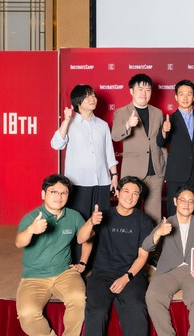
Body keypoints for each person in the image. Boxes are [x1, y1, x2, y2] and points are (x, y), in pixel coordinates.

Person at [74, 176, 154, 336]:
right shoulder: (103, 215)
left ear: (140, 198)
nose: (130, 196)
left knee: (136, 308)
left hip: (131, 273)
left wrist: (127, 277)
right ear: (117, 192)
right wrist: (91, 222)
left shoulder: (144, 221)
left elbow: (143, 256)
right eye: (126, 191)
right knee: (96, 312)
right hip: (102, 273)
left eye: (136, 193)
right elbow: (81, 238)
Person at [14, 174, 87, 336]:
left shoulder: (74, 216)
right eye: (53, 192)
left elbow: (87, 238)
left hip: (64, 272)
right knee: (27, 314)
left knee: (78, 298)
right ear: (43, 194)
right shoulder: (32, 217)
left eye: (63, 193)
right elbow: (19, 242)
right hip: (34, 276)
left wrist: (83, 262)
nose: (59, 196)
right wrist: (31, 230)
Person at [51, 84, 119, 263]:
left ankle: (99, 260)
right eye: (87, 96)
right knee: (79, 223)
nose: (92, 99)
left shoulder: (103, 125)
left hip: (102, 182)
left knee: (101, 222)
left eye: (93, 95)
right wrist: (66, 120)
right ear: (78, 102)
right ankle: (76, 261)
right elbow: (56, 144)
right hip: (78, 183)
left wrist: (114, 176)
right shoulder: (70, 123)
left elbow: (109, 153)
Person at [143, 184, 194, 336]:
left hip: (193, 270)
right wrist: (158, 233)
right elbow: (146, 246)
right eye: (183, 200)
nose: (186, 204)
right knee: (153, 294)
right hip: (169, 271)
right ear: (175, 201)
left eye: (190, 201)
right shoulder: (166, 223)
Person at [111, 74, 166, 223]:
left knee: (154, 216)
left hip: (155, 171)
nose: (144, 93)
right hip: (133, 171)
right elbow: (115, 135)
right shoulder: (121, 112)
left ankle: (153, 239)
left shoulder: (158, 113)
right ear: (131, 91)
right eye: (140, 89)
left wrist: (164, 165)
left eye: (148, 90)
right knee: (129, 213)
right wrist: (128, 124)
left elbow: (161, 142)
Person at [157, 79, 194, 218]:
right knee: (174, 214)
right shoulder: (170, 119)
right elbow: (160, 142)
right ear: (176, 97)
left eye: (189, 94)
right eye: (181, 94)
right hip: (176, 174)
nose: (185, 98)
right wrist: (164, 131)